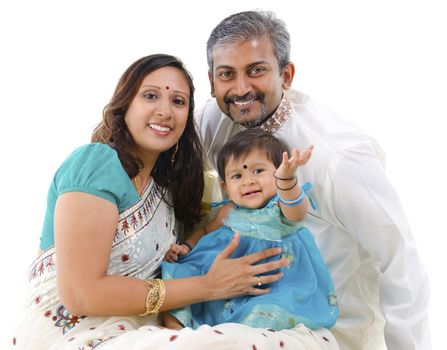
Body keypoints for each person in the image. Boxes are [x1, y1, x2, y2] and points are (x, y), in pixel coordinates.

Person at [13, 53, 328, 350]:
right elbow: (81, 294)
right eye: (150, 96)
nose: (164, 111)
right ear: (125, 105)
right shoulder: (95, 163)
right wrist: (209, 286)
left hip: (145, 327)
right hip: (76, 332)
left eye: (178, 101)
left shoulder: (168, 188)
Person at [195, 10, 431, 350]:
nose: (241, 88)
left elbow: (401, 261)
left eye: (256, 70)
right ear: (212, 81)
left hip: (324, 329)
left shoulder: (338, 158)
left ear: (286, 75)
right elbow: (167, 164)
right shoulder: (215, 119)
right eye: (227, 75)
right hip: (237, 312)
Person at [162, 129, 339, 342]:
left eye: (258, 171)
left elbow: (298, 211)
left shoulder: (281, 208)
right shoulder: (228, 210)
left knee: (265, 309)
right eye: (237, 176)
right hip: (223, 275)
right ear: (225, 187)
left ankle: (245, 335)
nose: (248, 181)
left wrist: (286, 180)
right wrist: (187, 247)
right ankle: (175, 331)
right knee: (178, 275)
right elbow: (206, 230)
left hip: (272, 285)